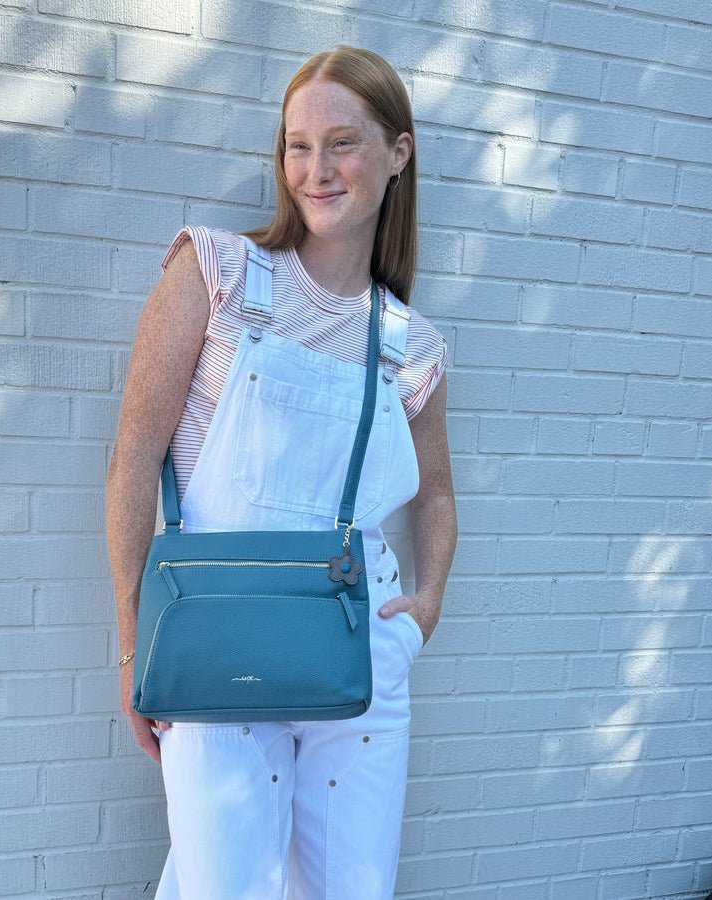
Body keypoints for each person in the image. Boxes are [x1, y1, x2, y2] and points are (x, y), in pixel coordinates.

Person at [106, 45, 458, 900]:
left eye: (342, 142)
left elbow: (437, 493)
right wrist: (132, 646)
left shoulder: (411, 345)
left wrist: (423, 611)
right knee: (222, 886)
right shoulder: (216, 273)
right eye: (297, 146)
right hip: (215, 642)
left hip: (357, 651)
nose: (315, 169)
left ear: (397, 153)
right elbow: (133, 459)